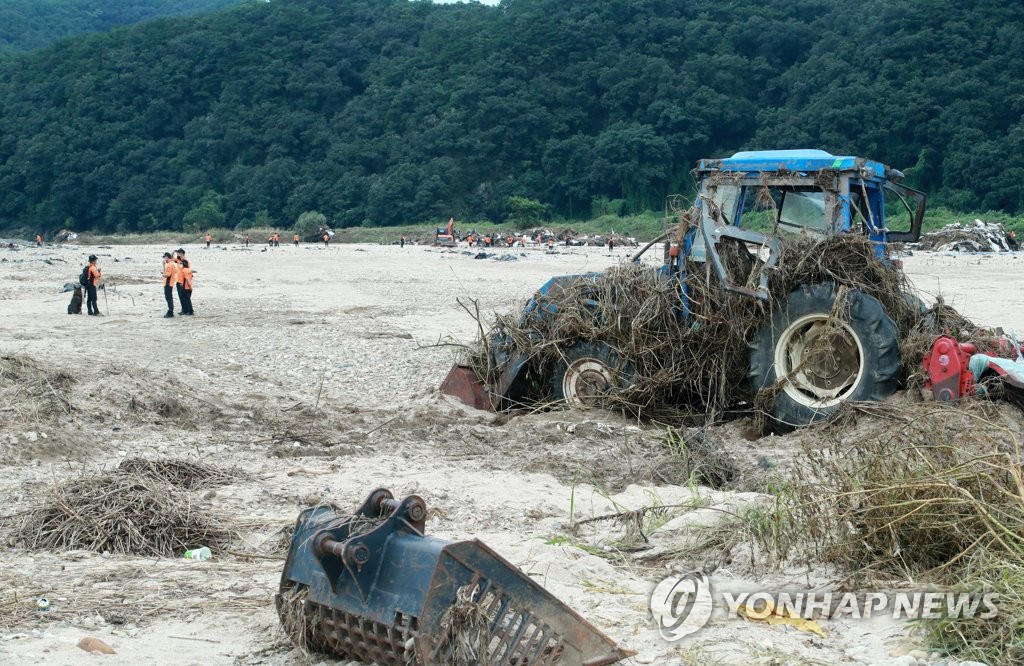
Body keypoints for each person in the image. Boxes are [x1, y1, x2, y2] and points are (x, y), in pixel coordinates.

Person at [162, 252, 177, 318]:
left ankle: (170, 312)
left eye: (164, 257)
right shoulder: (170, 264)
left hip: (168, 283)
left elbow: (167, 275)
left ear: (167, 257)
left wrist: (163, 275)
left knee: (169, 298)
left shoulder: (169, 265)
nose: (164, 258)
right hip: (169, 283)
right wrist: (163, 265)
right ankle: (171, 311)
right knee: (169, 298)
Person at [173, 248, 187, 313]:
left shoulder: (185, 261)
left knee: (183, 296)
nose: (177, 255)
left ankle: (185, 309)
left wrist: (184, 282)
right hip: (178, 281)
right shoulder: (178, 260)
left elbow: (186, 272)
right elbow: (171, 259)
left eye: (178, 253)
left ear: (181, 254)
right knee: (180, 296)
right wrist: (173, 252)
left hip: (182, 281)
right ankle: (183, 309)